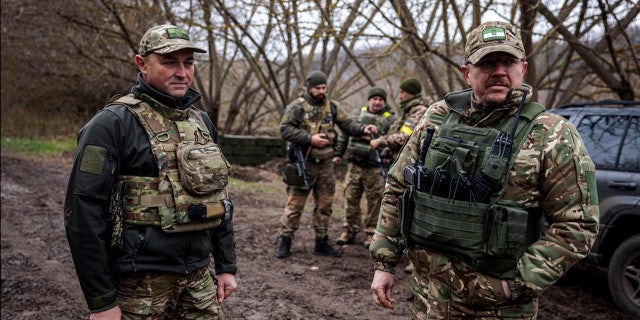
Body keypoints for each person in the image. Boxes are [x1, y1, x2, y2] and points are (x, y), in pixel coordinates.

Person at [370, 21, 599, 319]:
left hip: (500, 308)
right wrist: (384, 262)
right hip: (430, 299)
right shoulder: (437, 118)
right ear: (467, 73)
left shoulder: (553, 134)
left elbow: (578, 224)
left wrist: (515, 284)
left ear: (523, 68)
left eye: (508, 62)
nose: (499, 71)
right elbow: (398, 188)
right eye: (487, 63)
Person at [64, 24, 237, 320]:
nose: (182, 72)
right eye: (170, 62)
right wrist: (101, 301)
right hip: (138, 286)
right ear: (142, 64)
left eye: (188, 63)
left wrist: (225, 266)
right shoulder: (110, 125)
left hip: (198, 280)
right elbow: (82, 212)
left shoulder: (201, 123)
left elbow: (218, 201)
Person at [276, 70, 378, 258]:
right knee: (295, 205)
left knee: (325, 205)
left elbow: (348, 125)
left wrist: (364, 129)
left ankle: (321, 242)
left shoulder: (332, 107)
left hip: (326, 164)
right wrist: (309, 138)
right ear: (309, 88)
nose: (322, 91)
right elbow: (285, 129)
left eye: (324, 87)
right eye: (318, 88)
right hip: (304, 164)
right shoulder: (297, 107)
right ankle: (285, 241)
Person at [370, 77, 429, 274]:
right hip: (400, 166)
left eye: (402, 92)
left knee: (410, 210)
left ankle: (414, 256)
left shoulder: (419, 111)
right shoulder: (407, 111)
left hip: (412, 170)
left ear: (410, 93)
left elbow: (406, 137)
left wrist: (381, 141)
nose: (399, 96)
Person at [334, 86, 396, 248]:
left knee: (375, 201)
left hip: (375, 167)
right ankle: (349, 230)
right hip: (354, 165)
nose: (377, 102)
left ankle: (370, 233)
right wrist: (338, 154)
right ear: (369, 100)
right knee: (350, 198)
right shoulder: (356, 114)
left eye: (380, 100)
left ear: (384, 102)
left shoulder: (390, 119)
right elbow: (344, 135)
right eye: (374, 99)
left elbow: (391, 138)